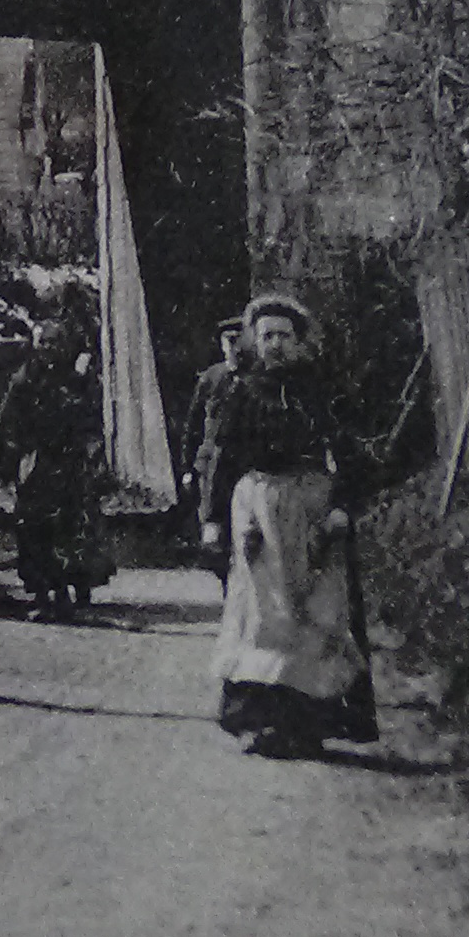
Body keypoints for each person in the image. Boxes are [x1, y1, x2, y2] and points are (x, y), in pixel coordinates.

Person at [207, 292, 379, 758]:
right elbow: (224, 459)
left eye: (285, 335)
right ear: (255, 341)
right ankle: (265, 720)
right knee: (263, 613)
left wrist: (343, 507)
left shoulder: (322, 392)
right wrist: (213, 520)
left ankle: (310, 724)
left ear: (300, 342)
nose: (276, 345)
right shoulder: (241, 393)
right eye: (267, 336)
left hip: (312, 511)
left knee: (317, 614)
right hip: (259, 510)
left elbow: (354, 455)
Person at [0, 319, 113, 618]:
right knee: (35, 526)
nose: (49, 348)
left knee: (75, 523)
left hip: (71, 461)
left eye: (55, 342)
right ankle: (44, 591)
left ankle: (79, 589)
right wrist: (1, 458)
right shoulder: (24, 380)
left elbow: (91, 417)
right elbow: (7, 420)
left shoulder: (77, 378)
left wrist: (93, 452)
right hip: (38, 461)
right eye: (43, 342)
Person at [181, 317, 251, 583]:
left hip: (245, 464)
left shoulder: (256, 378)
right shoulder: (212, 377)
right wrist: (188, 467)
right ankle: (225, 584)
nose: (233, 345)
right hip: (212, 466)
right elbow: (193, 425)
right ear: (222, 344)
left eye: (238, 339)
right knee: (213, 532)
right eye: (228, 340)